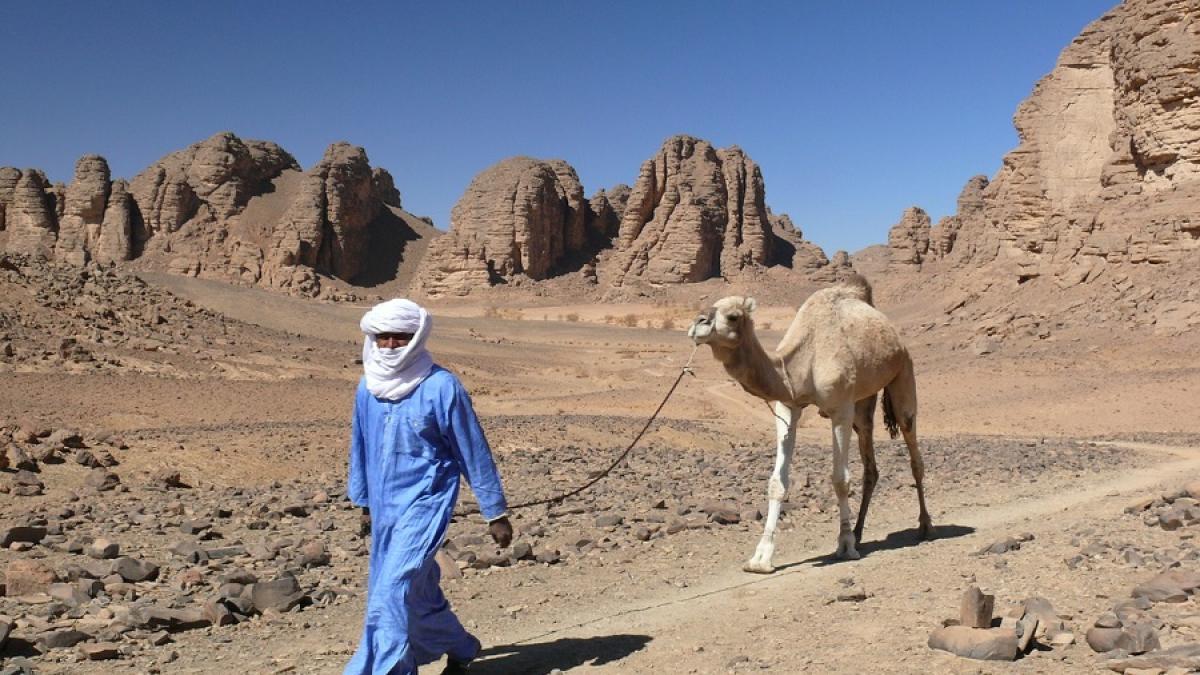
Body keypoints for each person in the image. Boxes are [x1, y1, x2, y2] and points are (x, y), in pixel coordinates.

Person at [345, 298, 512, 675]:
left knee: (392, 591)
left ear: (416, 338)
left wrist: (495, 511)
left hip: (425, 503)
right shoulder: (367, 387)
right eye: (382, 337)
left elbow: (473, 450)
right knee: (416, 593)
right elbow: (360, 446)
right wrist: (364, 503)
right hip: (386, 509)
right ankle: (462, 646)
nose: (389, 346)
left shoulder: (442, 387)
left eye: (399, 338)